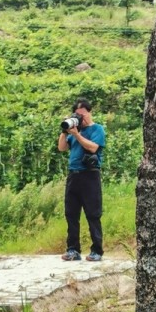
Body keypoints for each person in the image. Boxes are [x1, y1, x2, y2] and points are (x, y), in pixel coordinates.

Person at [57, 98, 106, 261]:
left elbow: (93, 147)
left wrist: (77, 134)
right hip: (73, 175)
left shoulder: (97, 129)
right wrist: (65, 131)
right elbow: (62, 148)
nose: (79, 117)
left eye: (82, 114)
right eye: (76, 115)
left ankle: (97, 251)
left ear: (89, 112)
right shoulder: (73, 130)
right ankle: (73, 249)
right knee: (71, 213)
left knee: (93, 214)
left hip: (90, 175)